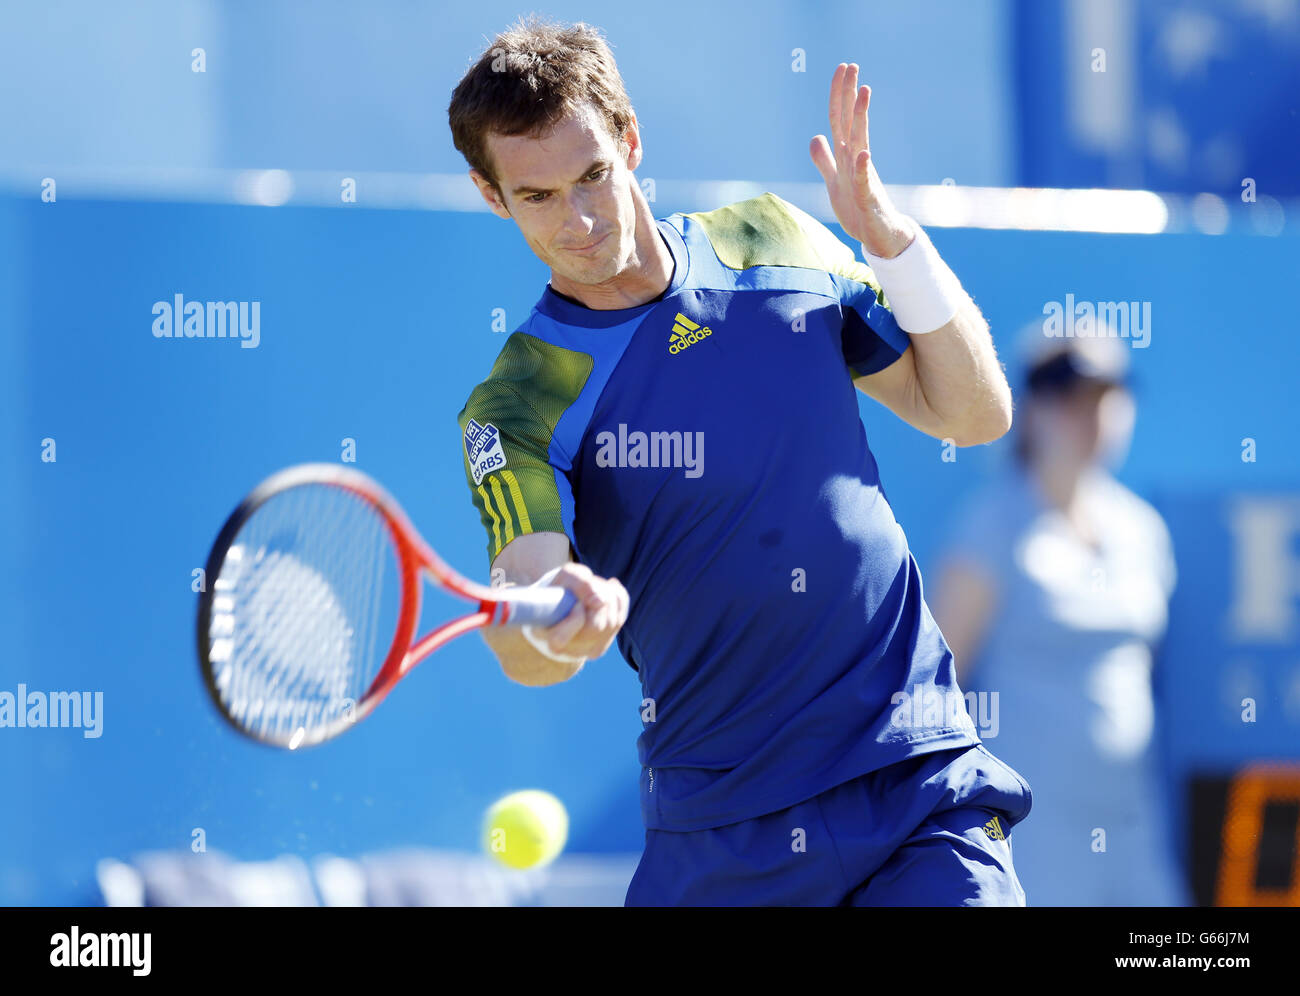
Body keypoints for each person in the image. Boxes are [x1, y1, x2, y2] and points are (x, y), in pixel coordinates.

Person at [448, 16, 1031, 906]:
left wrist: (893, 243)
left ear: (631, 140)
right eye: (538, 196)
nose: (581, 218)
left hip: (916, 777)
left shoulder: (772, 238)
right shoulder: (516, 405)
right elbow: (529, 616)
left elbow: (974, 413)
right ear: (494, 198)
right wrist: (559, 626)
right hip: (724, 835)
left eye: (594, 174)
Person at [931, 325, 1188, 906]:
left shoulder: (1142, 530)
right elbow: (938, 686)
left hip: (1132, 828)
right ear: (1034, 409)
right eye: (1071, 398)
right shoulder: (990, 526)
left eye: (1105, 398)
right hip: (1032, 834)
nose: (1091, 417)